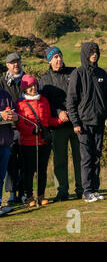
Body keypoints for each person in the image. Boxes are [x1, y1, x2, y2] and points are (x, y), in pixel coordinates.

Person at [67, 42, 107, 203]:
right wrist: (75, 123)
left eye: (96, 52)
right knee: (86, 158)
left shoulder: (102, 73)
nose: (94, 54)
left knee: (97, 157)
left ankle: (95, 189)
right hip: (84, 124)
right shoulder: (77, 74)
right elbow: (71, 101)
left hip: (100, 122)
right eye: (91, 52)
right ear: (85, 53)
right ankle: (87, 191)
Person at [39, 47, 83, 202]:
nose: (58, 60)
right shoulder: (45, 79)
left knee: (80, 158)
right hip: (58, 126)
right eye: (55, 57)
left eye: (60, 56)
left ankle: (82, 189)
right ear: (49, 60)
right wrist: (58, 112)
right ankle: (62, 191)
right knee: (59, 160)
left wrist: (74, 113)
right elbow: (44, 102)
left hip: (76, 123)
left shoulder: (74, 72)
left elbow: (81, 94)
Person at [16, 75, 63, 207]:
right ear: (25, 89)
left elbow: (48, 121)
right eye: (30, 86)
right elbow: (19, 123)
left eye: (35, 85)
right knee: (29, 171)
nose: (33, 88)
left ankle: (41, 196)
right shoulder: (20, 104)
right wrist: (31, 131)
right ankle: (30, 197)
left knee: (42, 170)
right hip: (27, 143)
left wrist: (60, 120)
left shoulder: (44, 101)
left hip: (43, 142)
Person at [0, 53, 25, 205]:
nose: (16, 65)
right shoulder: (2, 82)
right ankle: (11, 193)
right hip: (7, 129)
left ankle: (22, 192)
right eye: (12, 62)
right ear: (7, 65)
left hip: (22, 125)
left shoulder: (27, 80)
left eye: (18, 62)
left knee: (22, 161)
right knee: (9, 164)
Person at [0, 88, 18, 216]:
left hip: (5, 142)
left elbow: (15, 111)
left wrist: (15, 116)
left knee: (0, 177)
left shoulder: (5, 94)